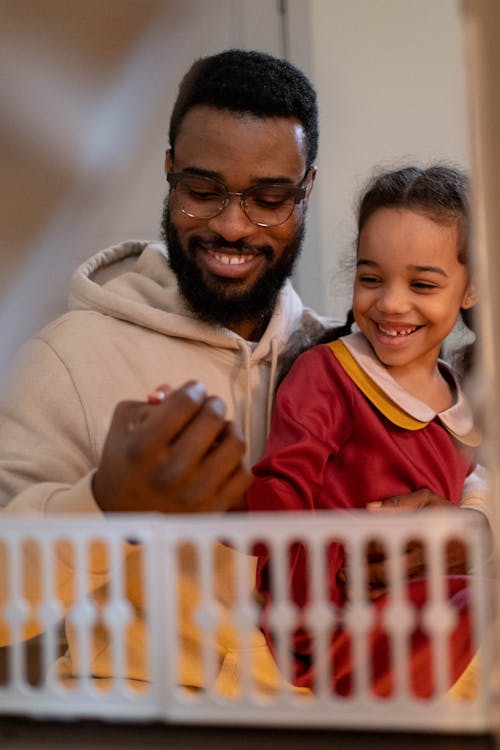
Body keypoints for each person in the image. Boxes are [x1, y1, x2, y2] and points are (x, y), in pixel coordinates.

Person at [0, 49, 485, 694]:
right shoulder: (68, 357)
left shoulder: (342, 355)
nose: (233, 225)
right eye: (202, 192)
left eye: (269, 199)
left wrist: (473, 536)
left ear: (307, 190)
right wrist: (106, 503)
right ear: (169, 173)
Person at [247, 164, 487, 698]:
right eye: (371, 278)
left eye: (422, 283)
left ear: (470, 289)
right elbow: (281, 488)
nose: (391, 303)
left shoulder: (464, 400)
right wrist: (300, 609)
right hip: (334, 614)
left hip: (425, 607)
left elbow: (473, 493)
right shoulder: (328, 372)